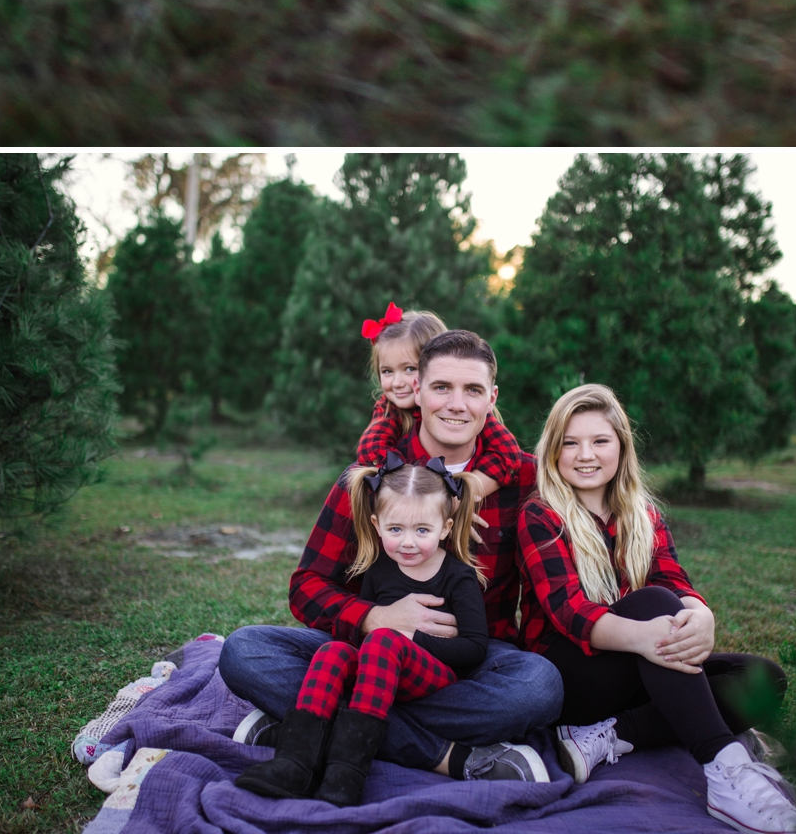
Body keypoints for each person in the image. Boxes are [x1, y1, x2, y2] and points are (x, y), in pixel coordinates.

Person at [221, 334, 561, 783]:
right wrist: (373, 618)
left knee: (538, 687)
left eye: (473, 390)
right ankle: (443, 755)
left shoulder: (525, 478)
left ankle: (311, 726)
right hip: (362, 656)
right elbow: (306, 586)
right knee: (244, 650)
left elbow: (544, 591)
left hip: (466, 664)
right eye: (442, 387)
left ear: (491, 399)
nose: (457, 404)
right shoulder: (371, 478)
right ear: (416, 391)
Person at [515, 382, 796, 828]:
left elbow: (672, 577)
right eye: (570, 443)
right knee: (653, 602)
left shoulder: (642, 513)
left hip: (639, 667)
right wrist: (648, 635)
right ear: (553, 452)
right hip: (571, 675)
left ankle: (611, 735)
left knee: (762, 679)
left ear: (621, 446)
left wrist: (701, 615)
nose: (585, 454)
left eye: (600, 440)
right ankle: (725, 771)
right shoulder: (540, 514)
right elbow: (569, 611)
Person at [240, 457, 490, 805]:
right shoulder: (377, 571)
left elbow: (475, 649)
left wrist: (410, 638)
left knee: (386, 639)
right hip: (377, 674)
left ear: (445, 528)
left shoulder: (458, 577)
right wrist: (376, 627)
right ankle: (295, 763)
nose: (407, 542)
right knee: (332, 651)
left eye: (422, 530)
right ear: (376, 524)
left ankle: (346, 774)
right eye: (395, 529)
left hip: (434, 676)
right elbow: (359, 637)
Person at [354, 304, 448, 465]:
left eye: (410, 369)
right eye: (387, 371)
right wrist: (405, 475)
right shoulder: (390, 410)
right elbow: (370, 450)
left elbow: (505, 449)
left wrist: (478, 482)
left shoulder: (463, 405)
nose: (397, 383)